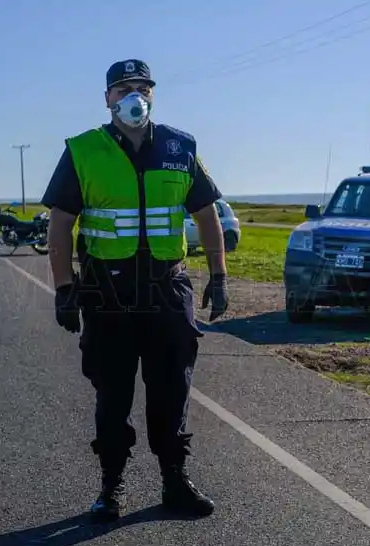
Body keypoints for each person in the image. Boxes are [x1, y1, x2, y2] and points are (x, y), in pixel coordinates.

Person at [40, 58, 229, 522]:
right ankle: (111, 486)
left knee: (172, 389)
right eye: (124, 88)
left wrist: (219, 275)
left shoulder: (180, 147)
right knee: (113, 394)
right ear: (107, 98)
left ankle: (174, 481)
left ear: (153, 95)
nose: (134, 97)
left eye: (143, 88)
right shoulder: (83, 150)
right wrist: (64, 289)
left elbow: (207, 214)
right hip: (108, 294)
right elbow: (60, 224)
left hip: (167, 290)